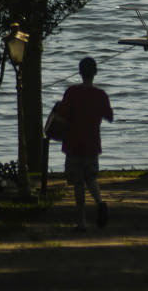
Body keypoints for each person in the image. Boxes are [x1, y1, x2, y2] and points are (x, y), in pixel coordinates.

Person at [58, 57, 113, 231]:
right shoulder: (100, 95)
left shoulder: (71, 92)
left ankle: (81, 221)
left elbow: (62, 117)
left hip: (73, 143)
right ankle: (100, 202)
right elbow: (109, 116)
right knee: (91, 177)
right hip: (92, 143)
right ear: (95, 73)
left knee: (78, 183)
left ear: (80, 72)